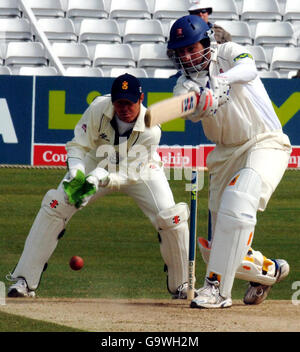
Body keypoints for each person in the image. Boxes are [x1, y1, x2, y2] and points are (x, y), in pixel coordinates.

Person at [6, 73, 191, 299]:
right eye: (119, 102)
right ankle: (24, 280)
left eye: (129, 103)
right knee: (56, 204)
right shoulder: (99, 108)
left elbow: (129, 174)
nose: (123, 108)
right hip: (97, 160)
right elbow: (78, 145)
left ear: (141, 98)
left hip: (140, 169)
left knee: (171, 218)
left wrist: (100, 178)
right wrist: (77, 172)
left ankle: (181, 285)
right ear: (112, 100)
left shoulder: (152, 129)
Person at [167, 15, 292, 309]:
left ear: (206, 43)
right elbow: (190, 109)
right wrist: (204, 99)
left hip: (265, 140)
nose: (186, 55)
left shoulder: (228, 52)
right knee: (217, 249)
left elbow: (248, 69)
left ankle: (217, 291)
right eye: (180, 51)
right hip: (224, 155)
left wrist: (221, 81)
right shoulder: (183, 86)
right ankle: (269, 271)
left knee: (241, 196)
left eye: (191, 47)